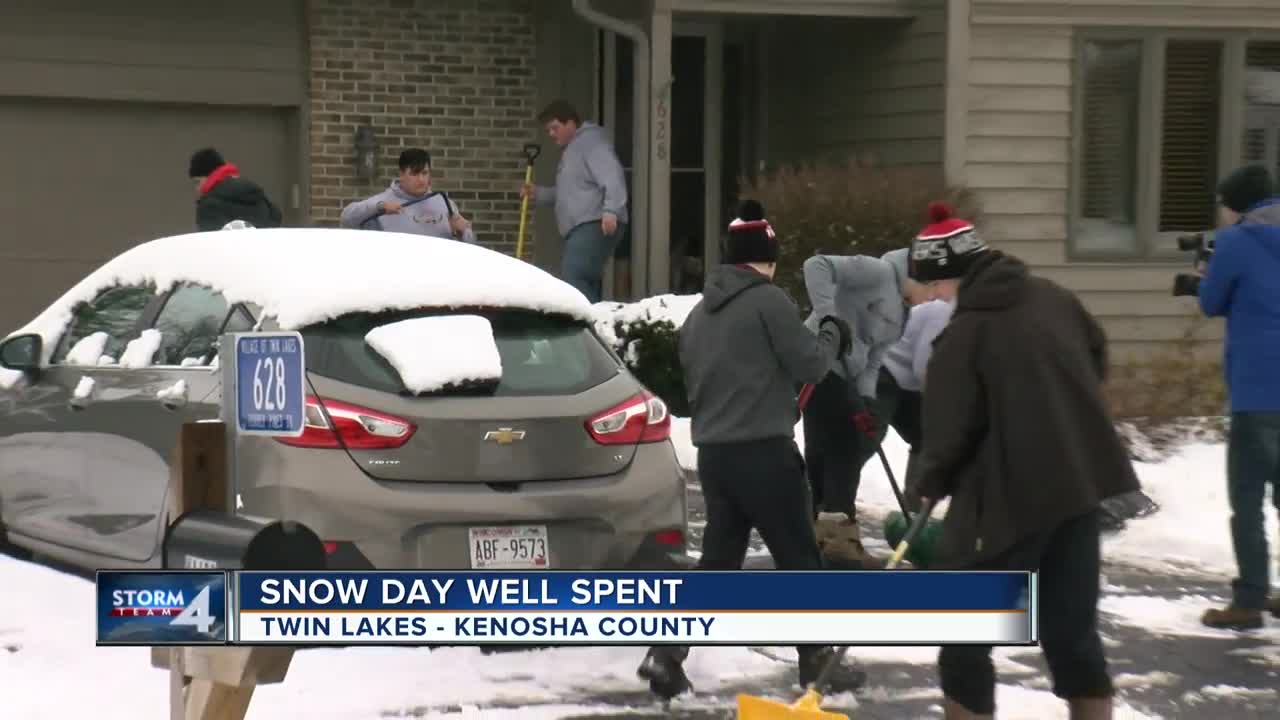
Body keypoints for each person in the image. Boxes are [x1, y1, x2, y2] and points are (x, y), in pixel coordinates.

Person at [910, 211, 1139, 720]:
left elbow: (947, 434)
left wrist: (928, 483)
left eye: (935, 285)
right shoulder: (1054, 298)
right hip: (1077, 489)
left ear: (951, 275)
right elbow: (1096, 354)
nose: (935, 297)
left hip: (1007, 502)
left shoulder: (964, 336)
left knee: (966, 632)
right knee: (1071, 629)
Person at [635, 199, 865, 701]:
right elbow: (809, 364)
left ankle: (665, 655)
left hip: (716, 458)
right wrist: (831, 334)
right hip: (765, 455)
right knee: (800, 560)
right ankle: (818, 665)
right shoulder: (769, 301)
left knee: (717, 564)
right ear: (765, 258)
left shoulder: (698, 315)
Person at [1196, 163, 1280, 630]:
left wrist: (1205, 273)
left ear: (1237, 205)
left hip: (1257, 390)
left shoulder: (1235, 242)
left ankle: (1249, 599)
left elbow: (1211, 303)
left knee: (1247, 499)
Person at [799, 247, 909, 567]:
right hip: (818, 364)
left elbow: (873, 362)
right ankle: (837, 543)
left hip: (847, 375)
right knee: (840, 449)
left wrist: (866, 403)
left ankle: (818, 540)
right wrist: (828, 317)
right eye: (929, 287)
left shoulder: (902, 316)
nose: (932, 298)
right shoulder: (878, 272)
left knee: (827, 451)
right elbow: (814, 264)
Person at [877, 239, 957, 513]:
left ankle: (913, 506)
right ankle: (835, 510)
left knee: (925, 434)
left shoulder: (954, 307)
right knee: (867, 439)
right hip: (884, 372)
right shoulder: (941, 309)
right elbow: (926, 367)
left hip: (903, 380)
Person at [521, 99, 628, 303]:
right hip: (584, 225)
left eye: (555, 127)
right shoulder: (573, 149)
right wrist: (538, 193)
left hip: (594, 222)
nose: (551, 134)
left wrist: (611, 210)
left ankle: (588, 327)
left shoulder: (590, 143)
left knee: (575, 275)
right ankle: (594, 323)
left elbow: (612, 175)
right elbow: (569, 192)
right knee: (583, 278)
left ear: (571, 123)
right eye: (548, 130)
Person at [341, 148, 475, 242]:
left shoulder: (445, 203)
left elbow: (470, 248)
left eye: (424, 173)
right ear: (401, 174)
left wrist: (464, 233)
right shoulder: (384, 201)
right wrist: (379, 208)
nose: (421, 180)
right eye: (414, 174)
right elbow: (347, 218)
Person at [188, 148, 283, 232]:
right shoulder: (258, 195)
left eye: (197, 182)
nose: (197, 189)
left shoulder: (208, 206)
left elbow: (212, 247)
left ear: (210, 176)